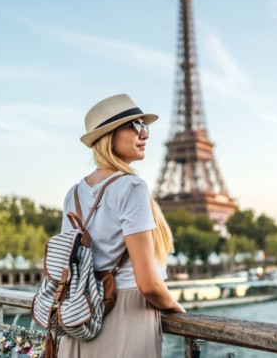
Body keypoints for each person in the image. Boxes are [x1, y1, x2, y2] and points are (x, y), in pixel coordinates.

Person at [57, 94, 186, 358]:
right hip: (127, 313)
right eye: (135, 126)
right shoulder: (132, 186)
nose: (144, 134)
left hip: (82, 316)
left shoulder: (73, 193)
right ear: (109, 137)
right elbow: (148, 284)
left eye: (144, 126)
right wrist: (174, 306)